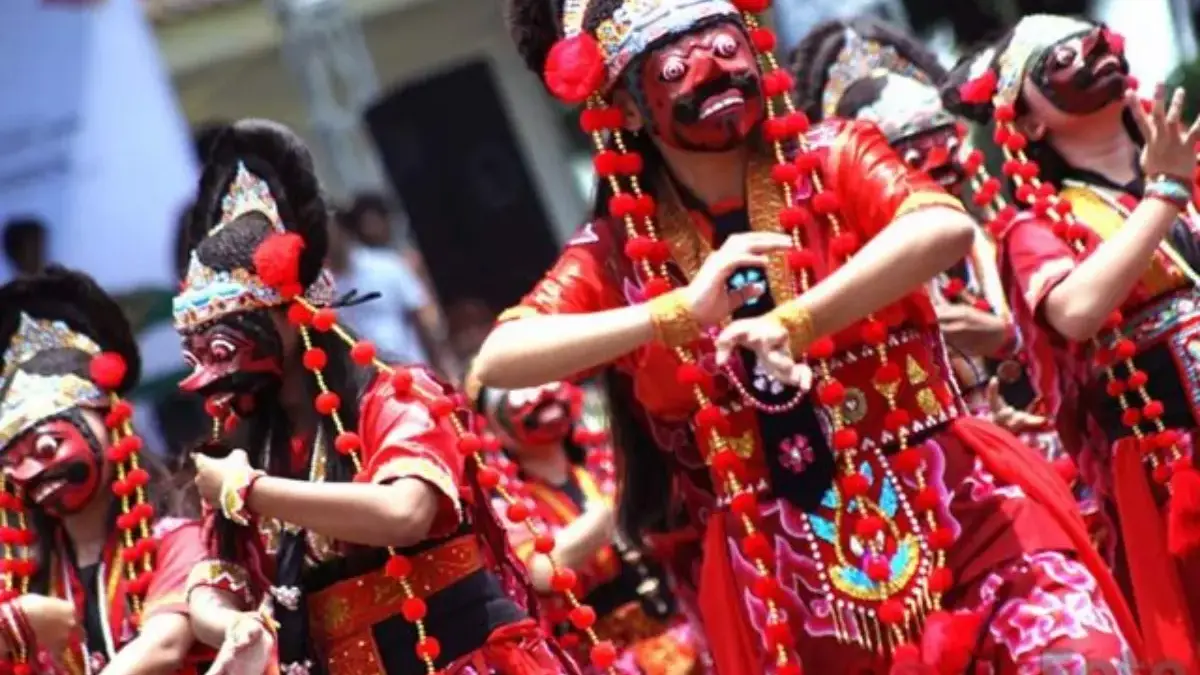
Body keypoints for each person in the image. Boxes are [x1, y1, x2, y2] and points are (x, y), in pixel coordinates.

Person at [476, 1, 1143, 672]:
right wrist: (676, 311)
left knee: (1076, 657)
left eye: (728, 49)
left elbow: (939, 228)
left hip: (960, 501)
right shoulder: (622, 249)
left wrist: (797, 321)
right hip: (787, 570)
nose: (716, 74)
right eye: (678, 66)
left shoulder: (833, 155)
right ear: (621, 107)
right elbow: (502, 357)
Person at [172, 119, 576, 675]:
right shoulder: (244, 441)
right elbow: (217, 578)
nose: (212, 365)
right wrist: (231, 622)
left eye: (229, 334)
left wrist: (251, 490)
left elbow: (404, 512)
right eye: (197, 347)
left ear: (296, 314)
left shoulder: (393, 396)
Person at [941, 14, 1200, 668]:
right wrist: (1165, 191)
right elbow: (1078, 309)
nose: (1089, 53)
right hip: (1171, 466)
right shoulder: (1036, 228)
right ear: (1028, 123)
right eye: (1058, 59)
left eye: (1094, 41)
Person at [787, 16, 1079, 493]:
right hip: (931, 482)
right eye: (910, 157)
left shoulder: (1003, 242)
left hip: (1050, 466)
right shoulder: (846, 287)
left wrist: (1009, 342)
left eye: (941, 144)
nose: (937, 168)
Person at [0, 265, 214, 674]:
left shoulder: (176, 539)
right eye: (12, 460)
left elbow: (164, 647)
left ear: (110, 419)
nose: (31, 471)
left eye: (48, 446)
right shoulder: (26, 582)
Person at [478, 381, 704, 674]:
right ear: (491, 430)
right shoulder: (507, 507)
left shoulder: (605, 465)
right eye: (519, 388)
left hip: (681, 634)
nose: (541, 393)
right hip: (604, 660)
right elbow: (543, 571)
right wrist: (623, 501)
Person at [329, 204, 452, 375]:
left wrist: (441, 368)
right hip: (365, 385)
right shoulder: (321, 290)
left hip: (411, 370)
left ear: (343, 229)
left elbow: (422, 319)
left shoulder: (387, 266)